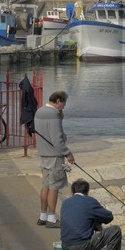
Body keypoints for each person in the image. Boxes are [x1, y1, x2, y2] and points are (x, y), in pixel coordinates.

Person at [60, 179, 125, 250]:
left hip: (65, 245)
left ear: (72, 191)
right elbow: (109, 217)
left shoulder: (65, 203)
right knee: (115, 230)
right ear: (87, 192)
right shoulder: (90, 201)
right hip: (81, 246)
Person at [33, 90, 71, 226]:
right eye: (64, 103)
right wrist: (68, 153)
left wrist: (60, 117)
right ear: (58, 101)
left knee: (45, 186)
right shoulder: (53, 114)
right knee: (54, 187)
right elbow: (57, 138)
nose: (64, 107)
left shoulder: (40, 111)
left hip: (43, 154)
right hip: (54, 155)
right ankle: (51, 218)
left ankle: (42, 216)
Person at [18, 74, 38, 146]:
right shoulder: (29, 90)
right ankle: (32, 141)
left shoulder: (26, 90)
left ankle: (30, 141)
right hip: (30, 109)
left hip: (29, 110)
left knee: (30, 119)